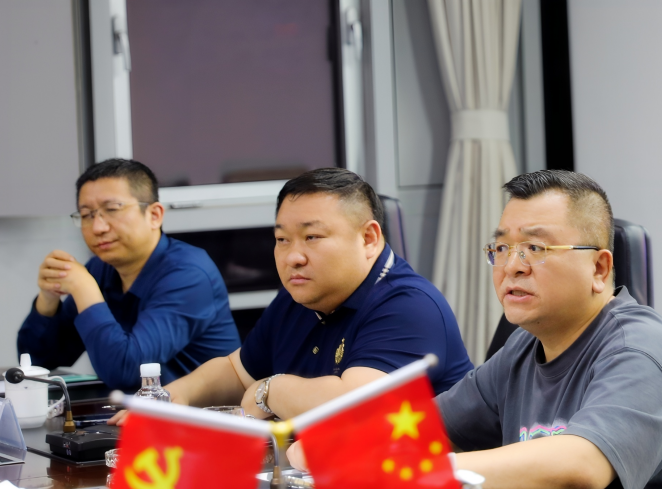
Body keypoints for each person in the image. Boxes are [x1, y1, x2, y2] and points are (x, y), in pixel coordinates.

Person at [428, 170, 662, 489]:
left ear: (599, 269)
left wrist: (431, 471)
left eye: (535, 248)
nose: (512, 266)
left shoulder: (639, 348)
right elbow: (430, 428)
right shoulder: (523, 346)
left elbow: (584, 463)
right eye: (503, 247)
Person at [119, 168, 472, 424]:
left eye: (312, 237)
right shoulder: (300, 296)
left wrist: (271, 390)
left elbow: (355, 409)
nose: (293, 257)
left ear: (368, 239)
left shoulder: (409, 306)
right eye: (282, 240)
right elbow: (236, 371)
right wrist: (171, 398)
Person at [18, 159, 240, 391]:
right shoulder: (99, 269)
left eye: (112, 210)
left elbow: (128, 372)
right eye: (86, 215)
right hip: (136, 409)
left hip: (202, 411)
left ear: (154, 215)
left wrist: (84, 289)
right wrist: (48, 298)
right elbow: (37, 362)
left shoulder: (189, 274)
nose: (98, 228)